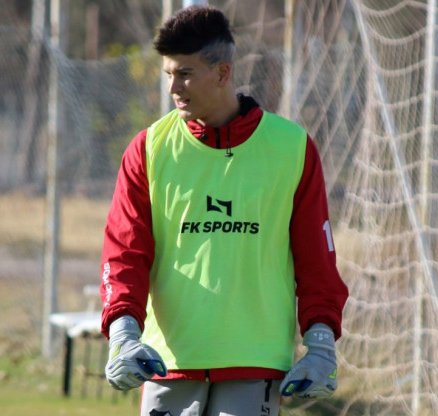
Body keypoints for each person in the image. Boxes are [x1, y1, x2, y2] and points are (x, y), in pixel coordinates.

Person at [99, 5, 349, 416]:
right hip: (167, 363)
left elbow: (316, 260)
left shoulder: (292, 149)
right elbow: (124, 253)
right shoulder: (148, 150)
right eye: (168, 74)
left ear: (222, 73)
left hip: (256, 363)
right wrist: (123, 333)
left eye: (185, 73)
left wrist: (320, 343)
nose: (174, 88)